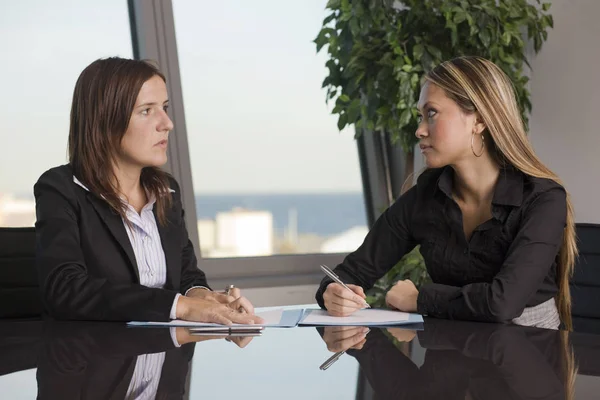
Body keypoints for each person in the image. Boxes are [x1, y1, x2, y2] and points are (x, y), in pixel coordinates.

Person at [316, 56, 578, 330]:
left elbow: (502, 303)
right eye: (420, 116)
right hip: (451, 356)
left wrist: (420, 299)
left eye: (432, 113)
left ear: (478, 120)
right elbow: (350, 273)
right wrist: (332, 293)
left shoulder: (544, 199)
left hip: (526, 356)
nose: (419, 130)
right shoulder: (425, 196)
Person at [35, 57, 263, 325]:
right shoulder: (61, 189)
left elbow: (187, 276)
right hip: (96, 360)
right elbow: (66, 289)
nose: (166, 123)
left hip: (166, 355)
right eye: (146, 110)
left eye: (164, 108)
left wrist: (204, 297)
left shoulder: (167, 191)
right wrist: (183, 306)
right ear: (105, 120)